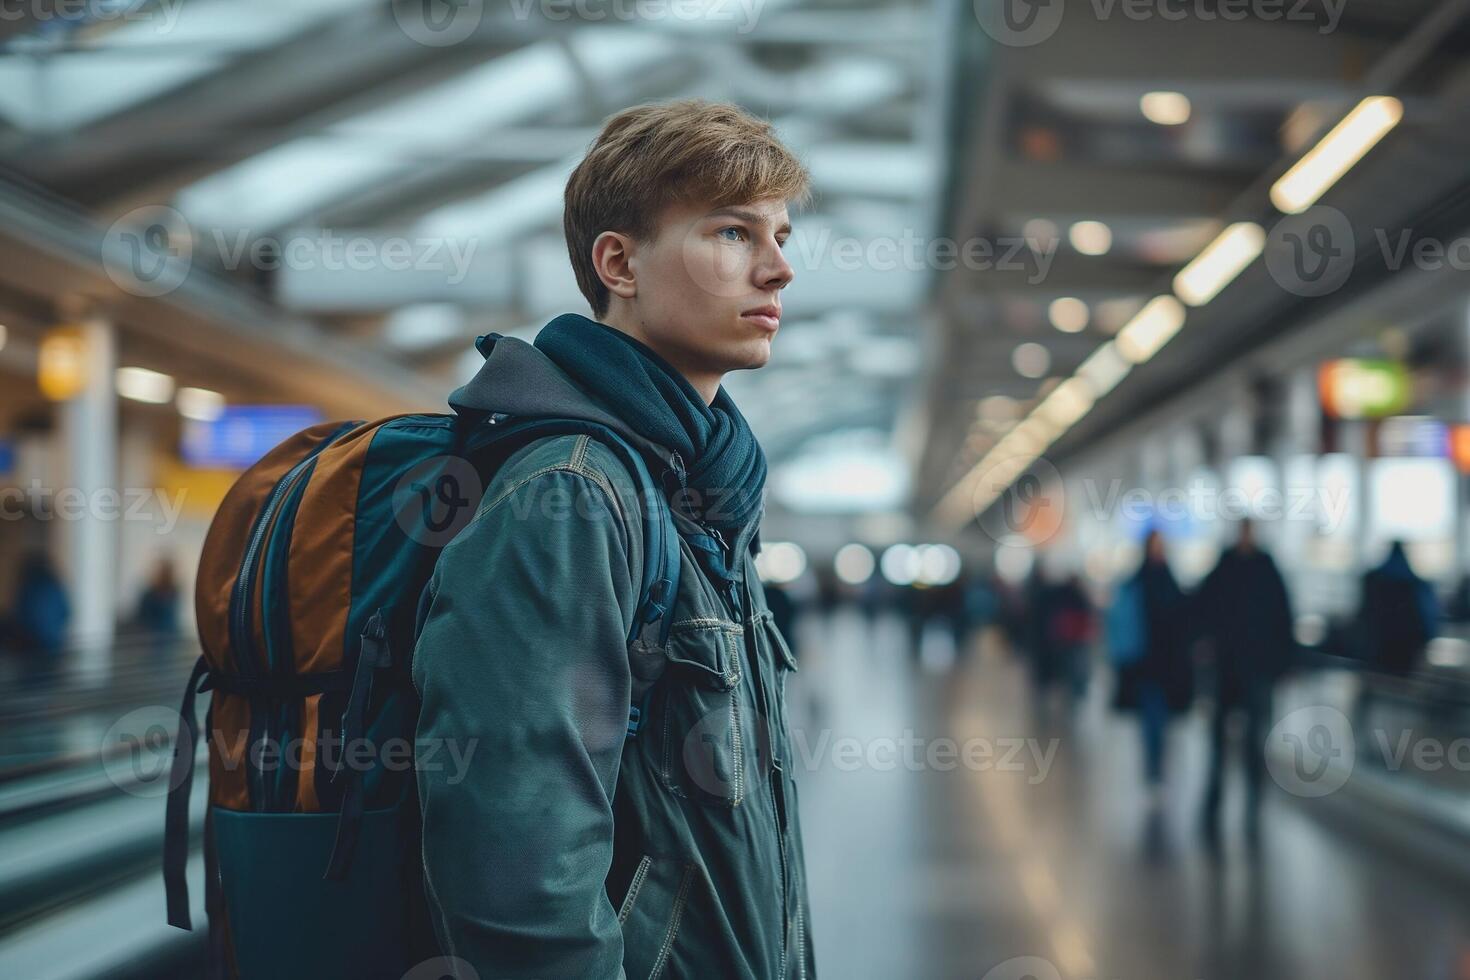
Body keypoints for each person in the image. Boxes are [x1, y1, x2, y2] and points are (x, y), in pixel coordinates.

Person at [412, 99, 816, 978]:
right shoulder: (570, 492)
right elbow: (518, 873)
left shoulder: (697, 492)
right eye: (733, 234)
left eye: (782, 234)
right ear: (618, 263)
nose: (779, 269)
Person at [1195, 520, 1294, 840]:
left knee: (1254, 740)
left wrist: (1282, 664)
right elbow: (1202, 611)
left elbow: (1283, 620)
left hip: (1257, 671)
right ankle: (1214, 801)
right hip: (1228, 671)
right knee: (1219, 741)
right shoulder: (1225, 570)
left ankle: (1253, 802)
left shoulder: (1266, 571)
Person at [1112, 529, 1193, 802]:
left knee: (1161, 722)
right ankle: (1153, 771)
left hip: (1167, 666)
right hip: (1145, 664)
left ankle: (1156, 770)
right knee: (1152, 721)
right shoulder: (1138, 582)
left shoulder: (1169, 581)